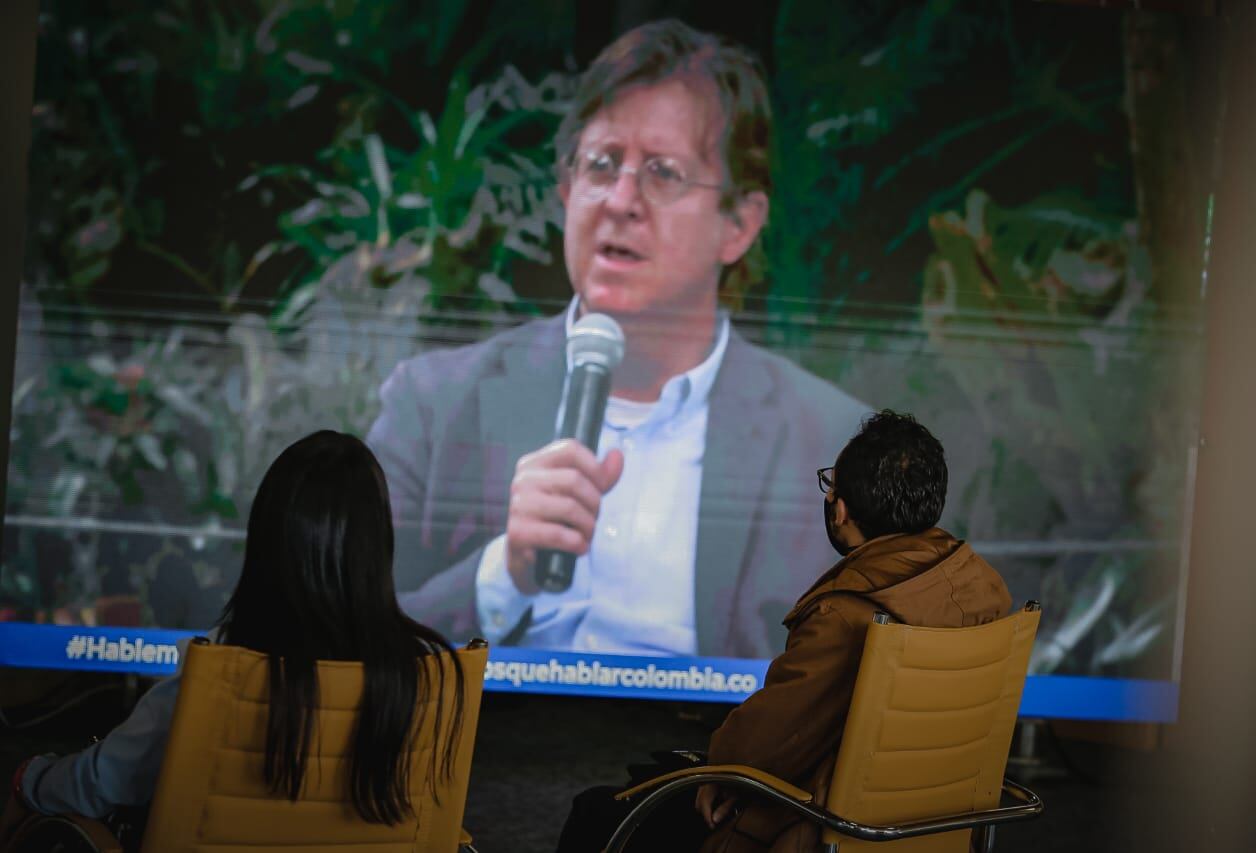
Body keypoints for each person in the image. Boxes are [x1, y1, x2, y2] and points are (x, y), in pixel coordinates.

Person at [368, 18, 871, 658]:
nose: (621, 200)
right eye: (602, 165)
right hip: (484, 752)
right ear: (566, 189)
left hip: (714, 756)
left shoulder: (833, 447)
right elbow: (342, 639)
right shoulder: (433, 404)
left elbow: (883, 676)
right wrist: (503, 576)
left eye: (663, 173)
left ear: (739, 225)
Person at [556, 410, 1013, 852]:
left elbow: (760, 747)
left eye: (831, 486)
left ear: (841, 512)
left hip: (819, 829)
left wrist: (721, 772)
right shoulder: (984, 591)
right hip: (938, 828)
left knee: (596, 813)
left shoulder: (846, 614)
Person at [2, 431, 464, 840]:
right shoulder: (431, 677)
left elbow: (98, 786)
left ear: (266, 545)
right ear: (378, 548)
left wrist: (30, 778)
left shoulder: (215, 678)